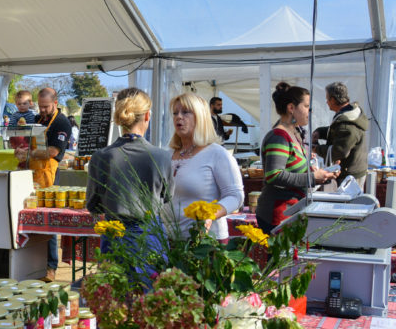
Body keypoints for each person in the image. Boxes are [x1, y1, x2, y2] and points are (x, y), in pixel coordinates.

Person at [85, 88, 173, 271]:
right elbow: (167, 198)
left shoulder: (101, 156)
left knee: (113, 294)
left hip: (114, 235)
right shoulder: (162, 157)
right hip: (149, 235)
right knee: (149, 295)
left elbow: (93, 204)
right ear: (148, 115)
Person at [257, 82, 338, 233]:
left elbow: (292, 169)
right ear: (291, 108)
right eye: (306, 106)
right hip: (277, 213)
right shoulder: (279, 136)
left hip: (289, 209)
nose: (310, 111)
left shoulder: (294, 134)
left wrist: (322, 174)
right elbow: (274, 175)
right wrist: (312, 177)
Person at [167, 92, 243, 241]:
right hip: (168, 241)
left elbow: (235, 196)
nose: (179, 117)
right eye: (175, 113)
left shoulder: (217, 154)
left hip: (206, 242)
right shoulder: (167, 154)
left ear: (200, 117)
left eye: (186, 112)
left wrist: (210, 214)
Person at [21, 88, 73, 280]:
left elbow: (53, 151)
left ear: (55, 102)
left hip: (50, 175)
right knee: (33, 216)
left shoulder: (62, 122)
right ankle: (32, 262)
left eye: (46, 107)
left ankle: (51, 267)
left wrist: (30, 154)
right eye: (40, 107)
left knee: (48, 219)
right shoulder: (38, 119)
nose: (42, 111)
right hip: (33, 172)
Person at [313, 81, 369, 188]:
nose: (326, 102)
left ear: (333, 100)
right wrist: (319, 132)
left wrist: (317, 149)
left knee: (347, 203)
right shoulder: (347, 115)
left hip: (350, 174)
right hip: (353, 168)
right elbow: (337, 132)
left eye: (327, 99)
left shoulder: (347, 124)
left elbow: (339, 151)